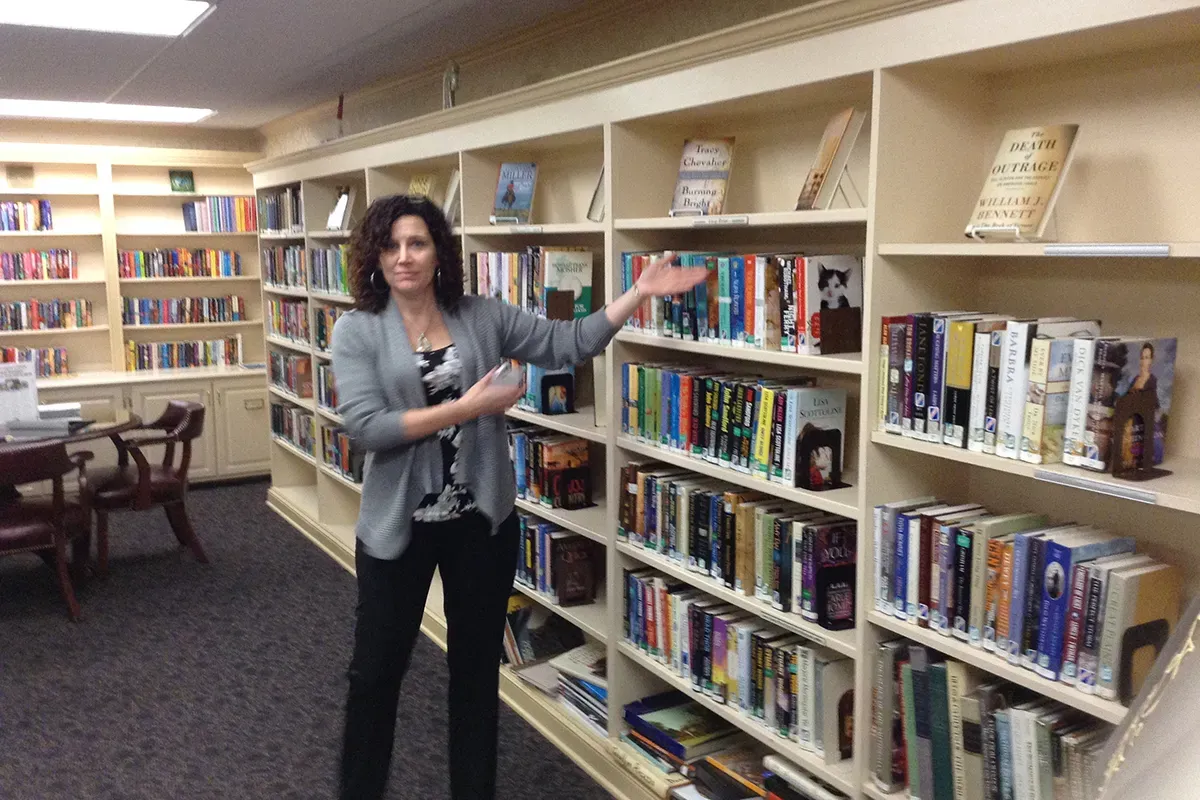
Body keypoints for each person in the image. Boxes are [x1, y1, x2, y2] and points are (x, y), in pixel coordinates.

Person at [330, 193, 705, 800]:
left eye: (417, 243)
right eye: (392, 244)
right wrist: (468, 407)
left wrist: (638, 295)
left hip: (481, 523)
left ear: (438, 252)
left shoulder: (480, 314)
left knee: (475, 676)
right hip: (399, 524)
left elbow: (569, 343)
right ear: (375, 254)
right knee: (375, 675)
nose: (404, 257)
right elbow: (366, 427)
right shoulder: (357, 329)